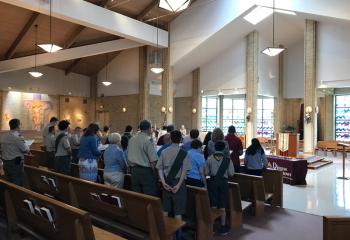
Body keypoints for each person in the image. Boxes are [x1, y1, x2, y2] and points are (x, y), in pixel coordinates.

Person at [157, 130, 191, 239]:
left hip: (167, 182)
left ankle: (164, 235)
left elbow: (160, 169)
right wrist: (178, 185)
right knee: (178, 212)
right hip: (178, 183)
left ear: (170, 139)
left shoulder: (164, 152)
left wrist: (163, 182)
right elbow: (185, 171)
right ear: (180, 139)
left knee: (165, 210)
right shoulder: (184, 153)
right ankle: (178, 236)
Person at [206, 141, 234, 236]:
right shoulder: (227, 159)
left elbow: (206, 172)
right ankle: (223, 227)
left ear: (215, 148)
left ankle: (212, 227)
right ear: (223, 148)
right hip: (223, 182)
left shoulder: (209, 158)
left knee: (213, 204)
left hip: (213, 182)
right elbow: (231, 173)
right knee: (222, 204)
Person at [128, 120, 159, 196]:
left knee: (137, 197)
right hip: (146, 172)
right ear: (149, 129)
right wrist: (156, 175)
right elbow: (153, 161)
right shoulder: (147, 140)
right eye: (151, 128)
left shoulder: (131, 139)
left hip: (134, 171)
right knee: (149, 196)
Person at [0, 119, 30, 186]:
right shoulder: (17, 137)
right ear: (18, 126)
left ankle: (11, 195)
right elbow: (26, 150)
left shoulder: (3, 136)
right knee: (17, 181)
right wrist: (28, 146)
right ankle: (17, 195)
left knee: (9, 181)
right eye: (20, 125)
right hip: (16, 161)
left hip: (5, 161)